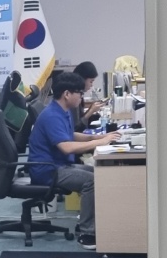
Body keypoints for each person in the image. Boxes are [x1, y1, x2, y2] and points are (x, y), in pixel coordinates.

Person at [26, 71, 120, 248]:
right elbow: (66, 147)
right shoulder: (52, 115)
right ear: (67, 94)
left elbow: (70, 135)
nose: (82, 96)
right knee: (92, 181)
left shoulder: (62, 111)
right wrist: (100, 142)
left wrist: (99, 137)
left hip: (58, 165)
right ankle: (87, 233)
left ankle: (89, 221)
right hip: (47, 170)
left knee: (99, 173)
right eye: (80, 93)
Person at [73, 61, 102, 131]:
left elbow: (81, 118)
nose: (92, 85)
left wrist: (93, 115)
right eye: (91, 81)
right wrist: (91, 111)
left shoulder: (79, 94)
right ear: (82, 79)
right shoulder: (74, 98)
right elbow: (76, 128)